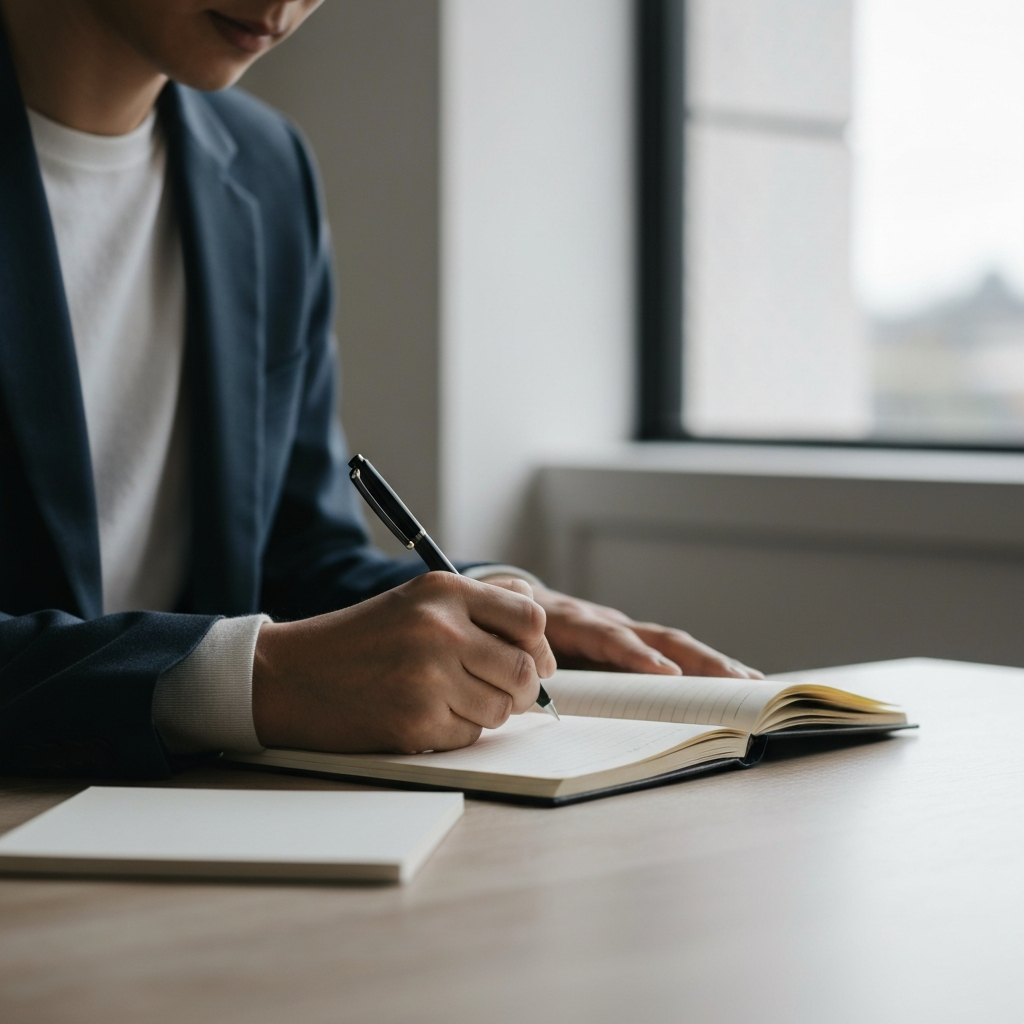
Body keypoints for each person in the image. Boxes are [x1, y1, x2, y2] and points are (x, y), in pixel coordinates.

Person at [0, 0, 760, 779]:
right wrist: (255, 679)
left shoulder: (264, 169)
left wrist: (498, 606)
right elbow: (272, 651)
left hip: (194, 835)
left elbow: (297, 555)